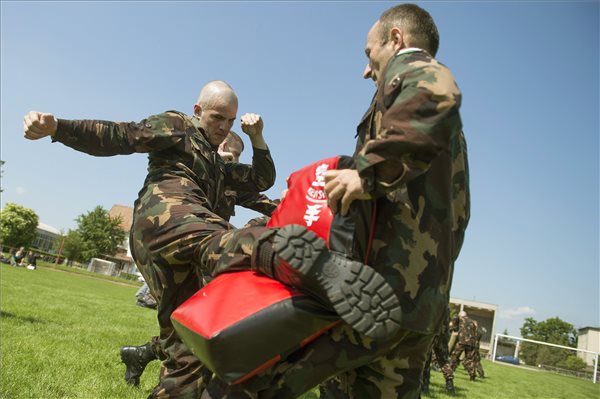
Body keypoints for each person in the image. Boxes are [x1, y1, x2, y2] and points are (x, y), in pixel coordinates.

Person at [201, 3, 470, 398]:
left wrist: (367, 172)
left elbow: (437, 90)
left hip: (372, 297)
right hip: (420, 307)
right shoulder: (448, 144)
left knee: (249, 379)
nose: (366, 69)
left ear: (395, 40)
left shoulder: (411, 70)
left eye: (369, 53)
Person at [23, 80, 277, 399]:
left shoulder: (220, 169)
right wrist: (58, 127)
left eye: (230, 121)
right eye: (217, 118)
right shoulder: (180, 126)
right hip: (163, 226)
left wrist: (257, 137)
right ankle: (270, 251)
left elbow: (263, 181)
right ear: (198, 111)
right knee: (238, 242)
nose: (224, 128)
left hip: (191, 247)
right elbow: (123, 135)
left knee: (189, 347)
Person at [119, 130, 279, 388]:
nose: (233, 162)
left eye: (237, 158)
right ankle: (171, 379)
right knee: (192, 328)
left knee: (200, 326)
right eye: (231, 155)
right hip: (177, 250)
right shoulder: (194, 169)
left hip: (206, 256)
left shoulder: (232, 181)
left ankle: (144, 355)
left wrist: (301, 203)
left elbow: (266, 202)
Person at [421, 310, 455, 394]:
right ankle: (449, 382)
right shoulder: (445, 308)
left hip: (433, 333)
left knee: (427, 360)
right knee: (443, 361)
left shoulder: (431, 303)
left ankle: (425, 386)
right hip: (442, 336)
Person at [449, 311, 479, 381]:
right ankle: (472, 376)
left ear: (460, 316)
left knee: (454, 357)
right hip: (471, 343)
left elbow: (453, 328)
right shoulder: (472, 322)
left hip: (461, 341)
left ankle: (449, 372)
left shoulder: (459, 319)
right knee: (469, 360)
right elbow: (476, 332)